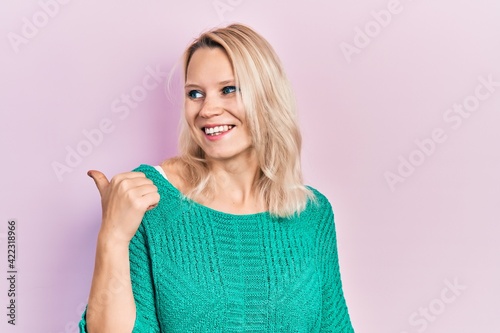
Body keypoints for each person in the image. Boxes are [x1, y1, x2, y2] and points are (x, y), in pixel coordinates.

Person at [79, 23, 355, 332]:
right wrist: (112, 237)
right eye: (195, 94)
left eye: (228, 89)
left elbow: (334, 326)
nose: (208, 109)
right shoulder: (149, 199)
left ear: (267, 96)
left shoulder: (311, 213)